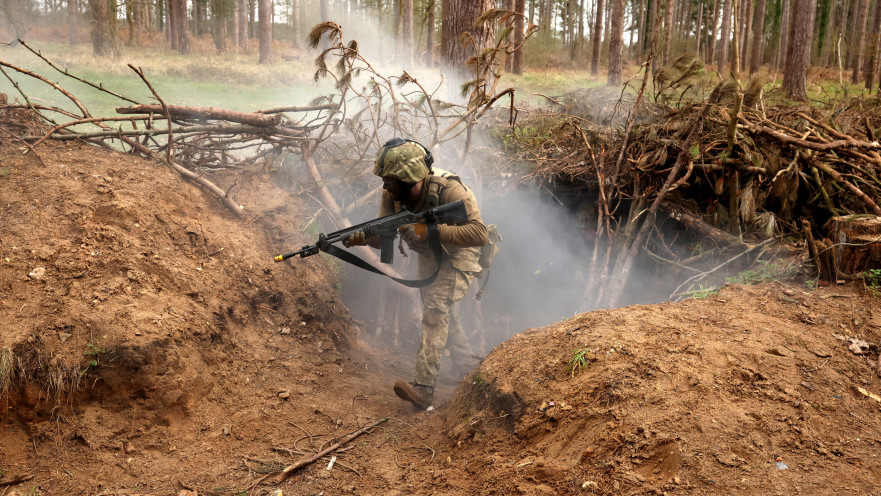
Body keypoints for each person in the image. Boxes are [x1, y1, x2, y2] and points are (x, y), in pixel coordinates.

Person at [346, 137, 488, 409]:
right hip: (430, 254)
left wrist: (430, 230)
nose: (385, 185)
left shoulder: (451, 191)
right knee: (438, 306)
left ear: (407, 177)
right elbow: (383, 236)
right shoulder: (392, 195)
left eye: (390, 180)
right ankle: (464, 365)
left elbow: (479, 234)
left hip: (461, 251)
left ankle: (424, 390)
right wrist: (361, 238)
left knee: (435, 309)